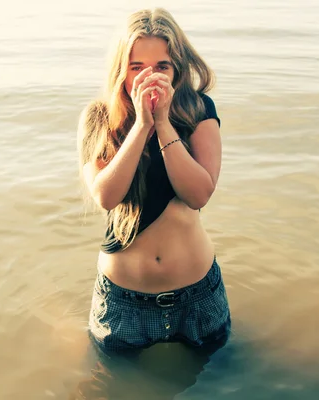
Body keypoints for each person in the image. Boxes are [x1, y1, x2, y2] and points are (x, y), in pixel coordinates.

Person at [76, 7, 231, 355]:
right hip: (123, 301)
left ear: (176, 68)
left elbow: (198, 194)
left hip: (198, 295)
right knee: (111, 386)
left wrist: (163, 123)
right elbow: (106, 195)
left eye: (162, 66)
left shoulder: (198, 109)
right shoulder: (98, 117)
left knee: (217, 384)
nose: (150, 76)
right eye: (137, 68)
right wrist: (141, 125)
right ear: (121, 70)